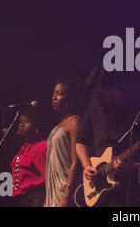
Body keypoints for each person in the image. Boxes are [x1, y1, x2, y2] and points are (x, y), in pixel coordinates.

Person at [76, 66, 140, 207]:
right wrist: (86, 165)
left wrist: (136, 167)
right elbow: (80, 142)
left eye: (102, 97)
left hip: (127, 193)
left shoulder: (136, 111)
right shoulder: (93, 107)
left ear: (114, 87)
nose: (98, 101)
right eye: (95, 98)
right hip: (99, 188)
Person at [45, 76, 85, 207]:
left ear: (70, 99)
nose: (54, 97)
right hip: (53, 195)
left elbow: (76, 161)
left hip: (67, 193)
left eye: (59, 94)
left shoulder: (74, 122)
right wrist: (47, 199)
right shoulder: (57, 127)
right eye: (53, 93)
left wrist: (66, 196)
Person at [10, 106, 47, 207]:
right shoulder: (22, 149)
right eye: (19, 122)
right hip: (20, 200)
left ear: (36, 126)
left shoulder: (43, 146)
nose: (21, 125)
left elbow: (48, 177)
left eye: (27, 121)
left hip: (36, 199)